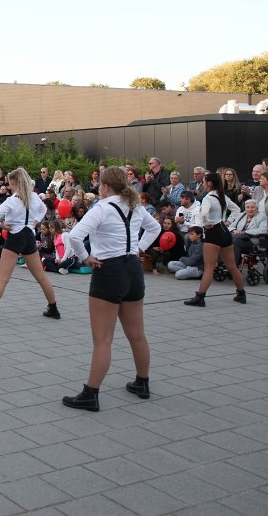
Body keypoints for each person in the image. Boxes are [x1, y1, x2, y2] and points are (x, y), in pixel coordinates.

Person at [62, 166, 161, 412]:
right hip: (132, 269)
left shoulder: (102, 208)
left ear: (105, 186)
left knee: (103, 339)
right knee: (137, 334)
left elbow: (75, 236)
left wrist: (85, 258)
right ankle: (142, 382)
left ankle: (91, 393)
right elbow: (155, 228)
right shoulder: (135, 205)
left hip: (109, 270)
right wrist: (139, 248)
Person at [0, 168, 60, 323]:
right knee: (41, 276)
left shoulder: (12, 200)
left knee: (2, 279)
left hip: (15, 236)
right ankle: (53, 308)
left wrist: (3, 226)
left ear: (14, 183)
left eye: (10, 184)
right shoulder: (33, 196)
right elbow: (44, 209)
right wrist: (35, 222)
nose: (9, 186)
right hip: (29, 235)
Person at [183, 172, 247, 307]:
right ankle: (241, 294)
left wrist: (206, 223)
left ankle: (200, 297)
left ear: (209, 183)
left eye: (205, 181)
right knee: (232, 266)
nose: (204, 184)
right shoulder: (222, 195)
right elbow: (236, 209)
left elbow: (204, 213)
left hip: (213, 233)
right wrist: (228, 221)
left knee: (209, 267)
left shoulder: (208, 198)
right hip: (225, 231)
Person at [230, 200, 268, 267]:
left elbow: (263, 230)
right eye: (247, 207)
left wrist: (244, 232)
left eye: (252, 207)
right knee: (226, 240)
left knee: (235, 241)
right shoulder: (241, 215)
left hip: (252, 242)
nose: (250, 209)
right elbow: (231, 227)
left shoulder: (262, 217)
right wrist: (234, 230)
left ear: (257, 208)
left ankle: (233, 266)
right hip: (238, 238)